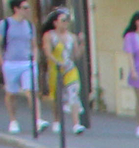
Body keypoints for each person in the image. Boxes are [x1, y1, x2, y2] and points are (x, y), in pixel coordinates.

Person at [38, 4, 80, 133]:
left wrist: (81, 44)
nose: (66, 23)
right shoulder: (49, 35)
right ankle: (57, 120)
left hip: (70, 69)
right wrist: (56, 62)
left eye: (67, 20)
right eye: (63, 20)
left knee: (73, 95)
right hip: (55, 69)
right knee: (57, 97)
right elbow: (47, 52)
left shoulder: (71, 37)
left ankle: (76, 124)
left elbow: (76, 55)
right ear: (55, 22)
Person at [2, 0, 35, 134]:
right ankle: (13, 120)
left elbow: (33, 44)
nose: (28, 10)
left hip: (27, 62)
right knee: (11, 94)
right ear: (16, 9)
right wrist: (2, 62)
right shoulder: (5, 24)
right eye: (25, 7)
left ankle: (37, 120)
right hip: (10, 62)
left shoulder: (29, 25)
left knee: (30, 91)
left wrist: (35, 59)